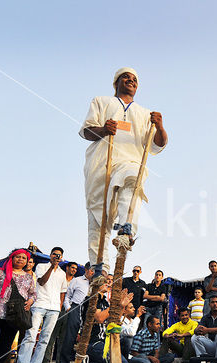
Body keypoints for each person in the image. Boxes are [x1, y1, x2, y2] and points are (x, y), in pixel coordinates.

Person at [80, 67, 168, 272]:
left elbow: (157, 145)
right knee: (98, 218)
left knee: (132, 179)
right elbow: (86, 130)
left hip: (129, 161)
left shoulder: (145, 114)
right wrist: (103, 130)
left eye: (135, 79)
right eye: (125, 77)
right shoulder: (101, 102)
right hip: (100, 164)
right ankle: (100, 267)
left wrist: (160, 126)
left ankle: (126, 229)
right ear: (116, 83)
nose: (131, 81)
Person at [13, 247, 68, 363]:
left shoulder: (62, 273)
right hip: (39, 305)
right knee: (30, 336)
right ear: (50, 255)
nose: (56, 257)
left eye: (59, 255)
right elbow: (42, 282)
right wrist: (51, 267)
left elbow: (62, 292)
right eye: (54, 254)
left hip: (54, 308)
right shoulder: (42, 267)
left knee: (45, 339)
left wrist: (59, 307)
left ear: (61, 258)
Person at [86, 279, 133, 363]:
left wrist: (121, 306)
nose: (108, 284)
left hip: (104, 342)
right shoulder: (92, 299)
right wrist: (115, 305)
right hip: (93, 342)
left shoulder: (106, 303)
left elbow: (114, 320)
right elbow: (99, 318)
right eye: (105, 282)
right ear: (96, 285)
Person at [41, 261, 78, 363]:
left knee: (63, 340)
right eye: (72, 268)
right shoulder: (59, 278)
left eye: (75, 269)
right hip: (56, 309)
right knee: (49, 339)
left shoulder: (76, 282)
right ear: (67, 268)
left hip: (68, 311)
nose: (74, 270)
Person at [56, 262, 90, 363]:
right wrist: (68, 308)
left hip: (90, 310)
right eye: (91, 270)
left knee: (87, 339)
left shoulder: (98, 283)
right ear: (86, 269)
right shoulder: (77, 280)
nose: (93, 272)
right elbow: (68, 296)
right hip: (76, 308)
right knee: (69, 338)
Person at [191, 296, 217, 363]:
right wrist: (197, 330)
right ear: (209, 304)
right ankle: (203, 360)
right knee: (194, 338)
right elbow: (198, 329)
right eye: (212, 302)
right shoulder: (206, 317)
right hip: (212, 344)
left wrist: (207, 330)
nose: (215, 304)